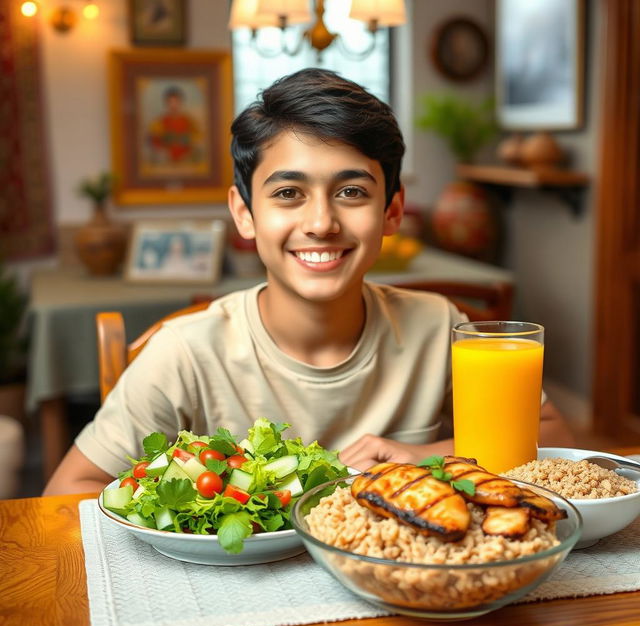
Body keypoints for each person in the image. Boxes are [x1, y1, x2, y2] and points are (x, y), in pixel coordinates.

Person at [44, 68, 573, 495]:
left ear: (392, 212)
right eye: (288, 194)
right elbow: (71, 489)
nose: (321, 222)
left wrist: (423, 454)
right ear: (245, 213)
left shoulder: (439, 327)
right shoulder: (185, 354)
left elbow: (550, 436)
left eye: (351, 193)